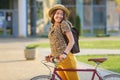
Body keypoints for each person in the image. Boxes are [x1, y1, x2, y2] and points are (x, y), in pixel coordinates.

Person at [46, 4, 79, 80]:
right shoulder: (52, 27)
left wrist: (64, 54)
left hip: (67, 58)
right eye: (57, 13)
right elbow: (56, 43)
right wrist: (51, 54)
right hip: (59, 60)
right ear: (53, 14)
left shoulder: (63, 24)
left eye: (62, 14)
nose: (60, 16)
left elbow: (71, 41)